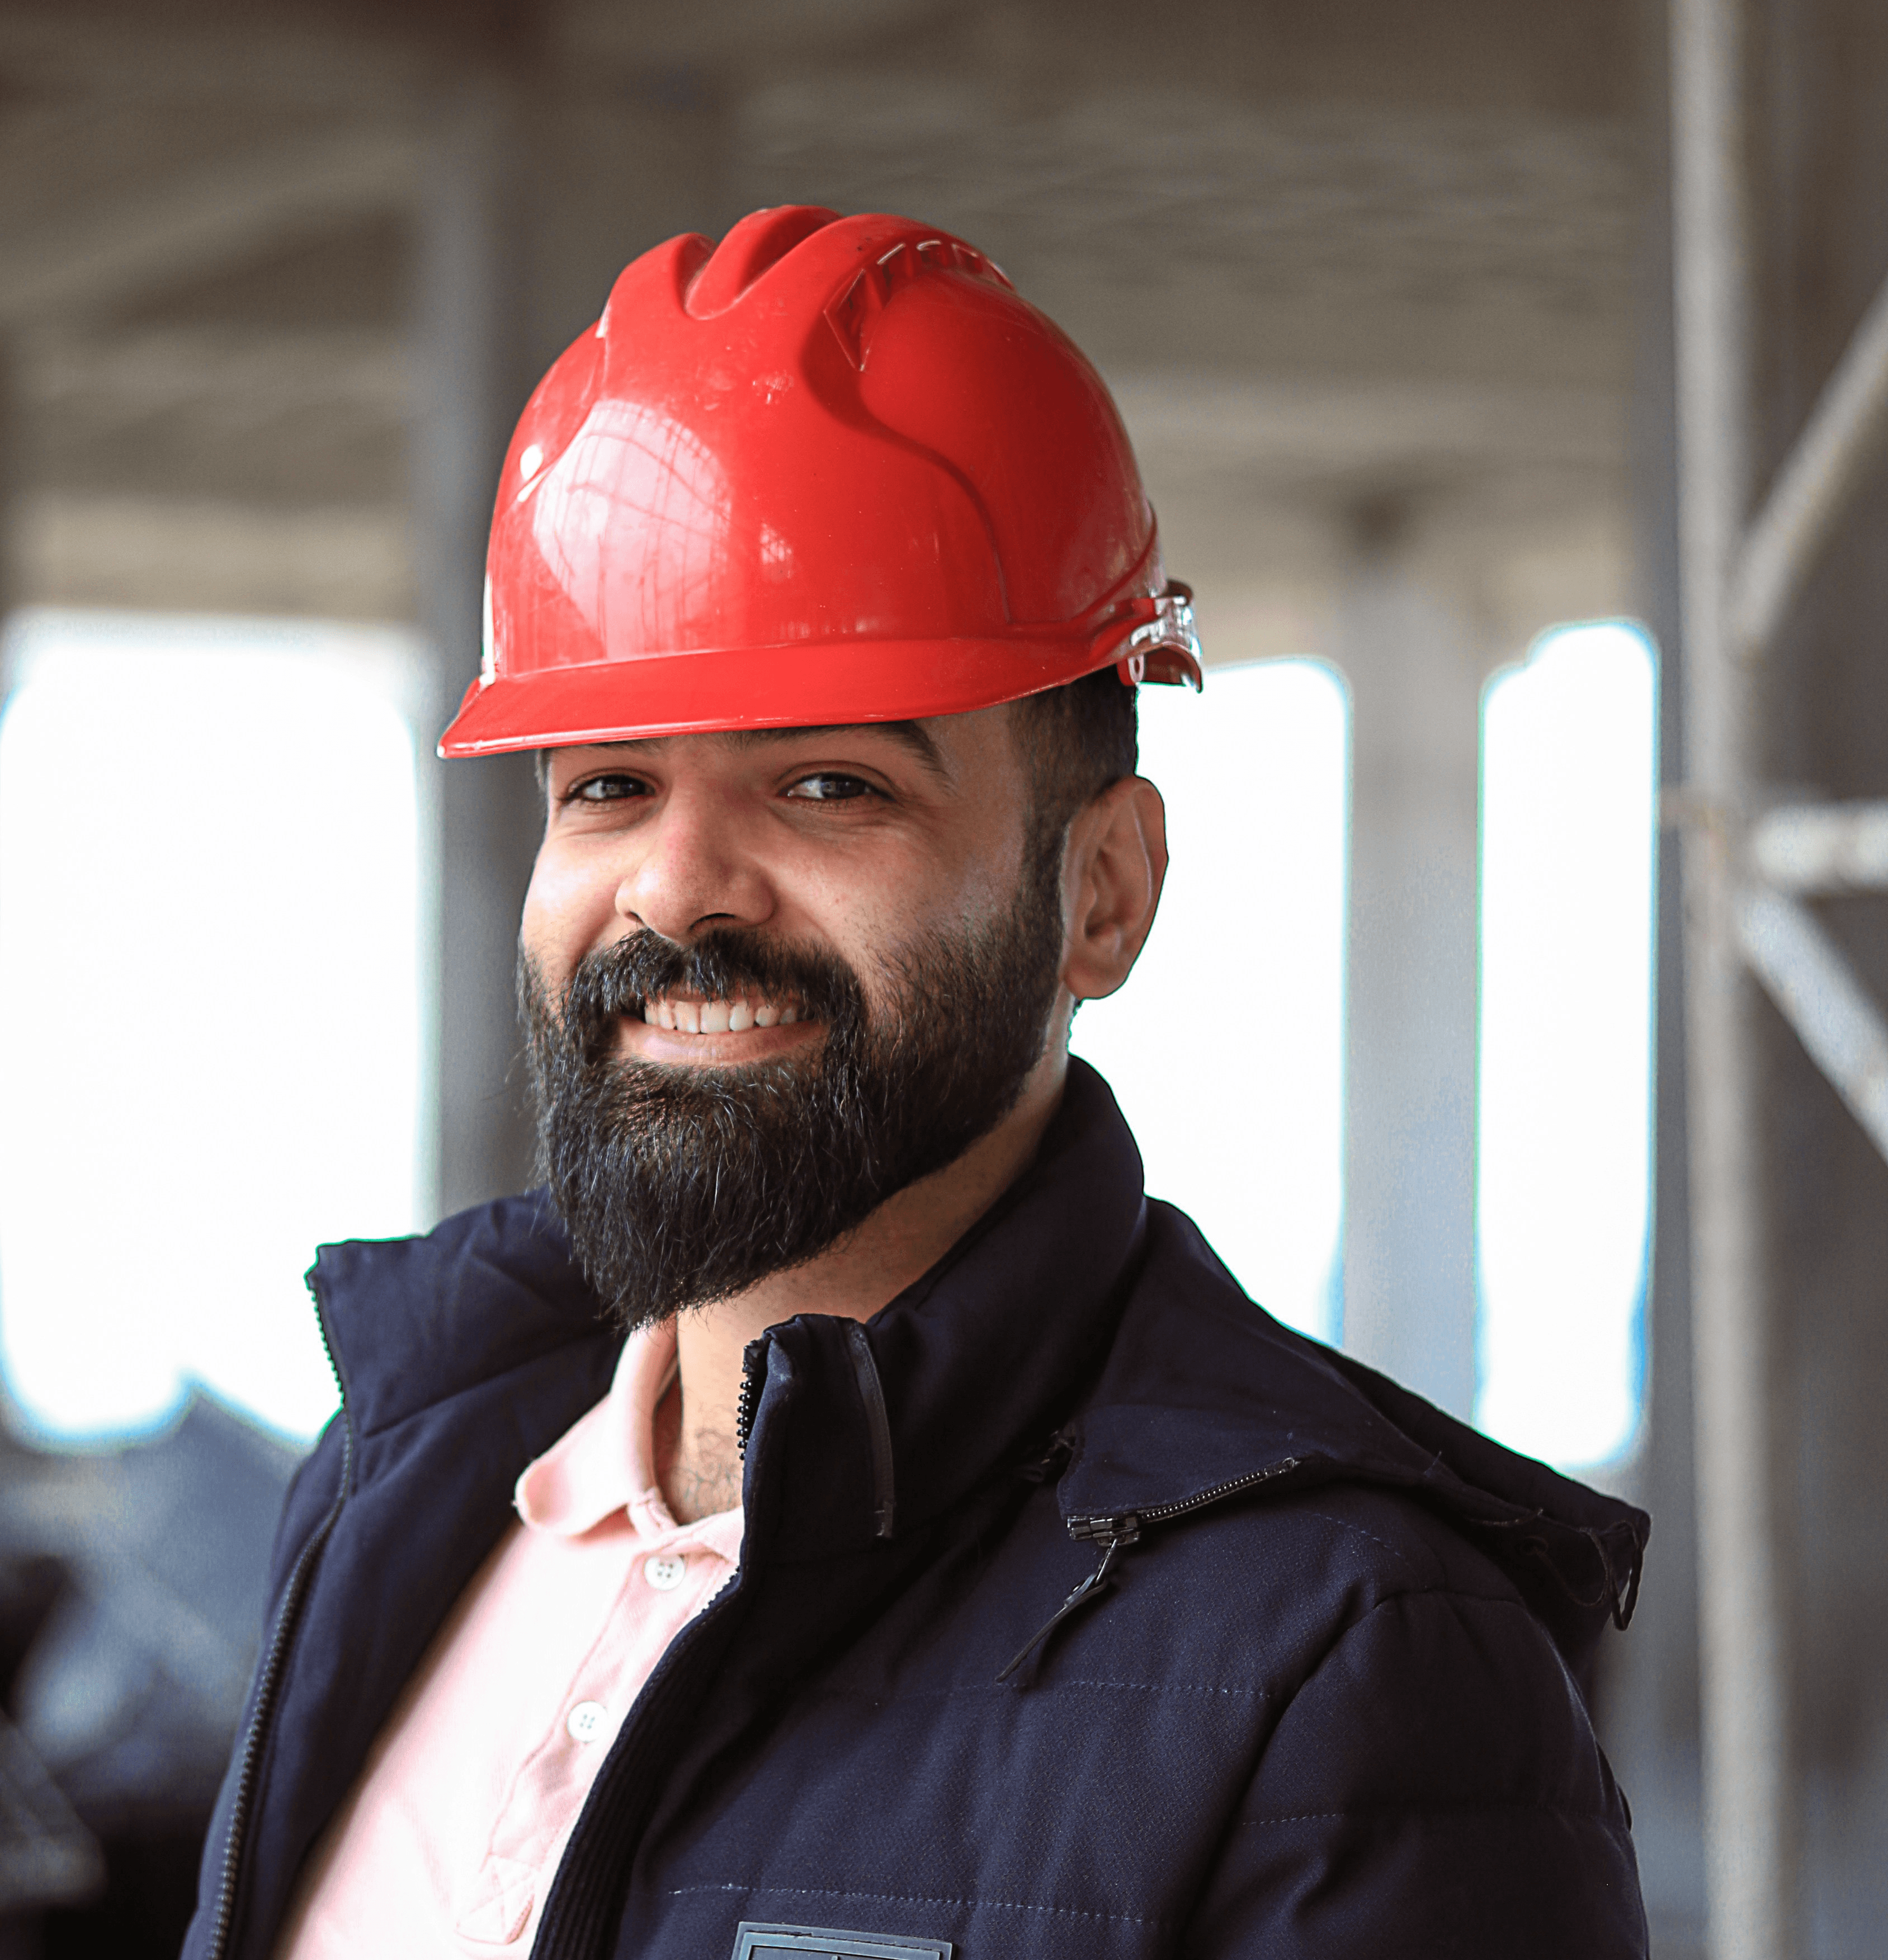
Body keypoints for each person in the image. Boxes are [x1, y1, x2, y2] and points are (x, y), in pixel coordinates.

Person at [184, 206, 1650, 1960]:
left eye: (829, 788)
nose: (675, 889)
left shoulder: (1341, 1658)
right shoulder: (401, 1481)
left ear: (1102, 890)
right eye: (607, 787)